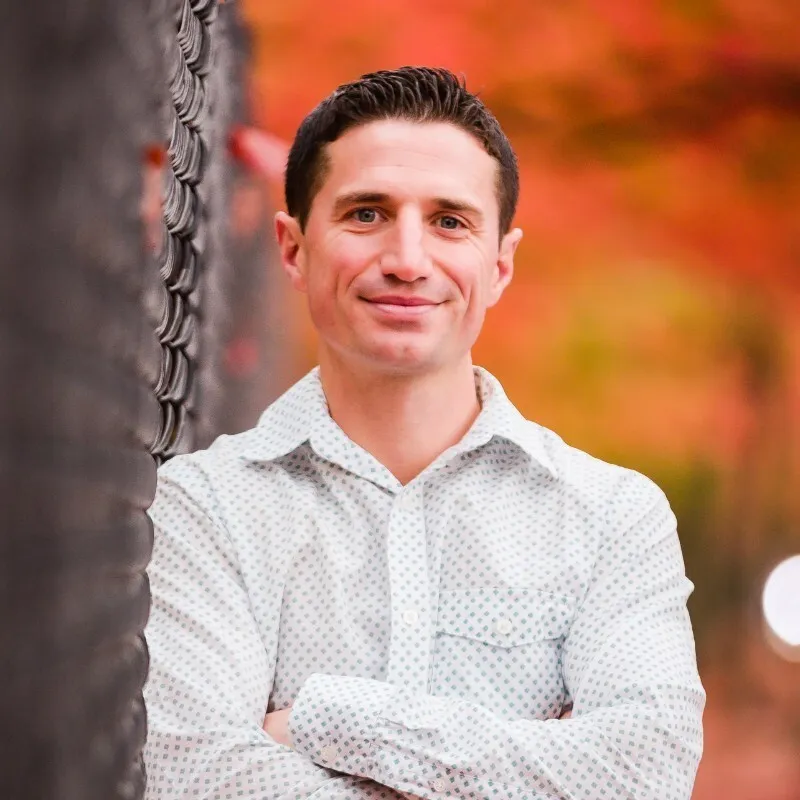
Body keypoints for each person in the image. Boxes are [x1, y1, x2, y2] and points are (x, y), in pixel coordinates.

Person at [143, 66, 705, 799]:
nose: (408, 262)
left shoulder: (611, 518)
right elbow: (196, 776)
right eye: (366, 214)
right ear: (293, 248)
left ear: (500, 264)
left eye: (450, 221)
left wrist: (325, 719)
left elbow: (644, 771)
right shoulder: (203, 508)